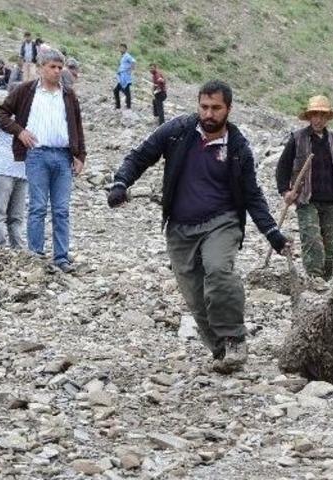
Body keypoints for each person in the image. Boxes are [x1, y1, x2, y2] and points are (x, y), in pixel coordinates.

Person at [107, 80, 291, 373]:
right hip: (179, 227)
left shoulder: (238, 147)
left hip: (222, 222)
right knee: (195, 295)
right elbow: (140, 155)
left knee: (219, 271)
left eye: (216, 108)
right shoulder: (178, 132)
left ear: (228, 109)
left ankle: (234, 338)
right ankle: (221, 352)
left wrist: (272, 233)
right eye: (204, 107)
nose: (209, 114)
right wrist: (121, 182)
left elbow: (252, 194)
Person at [0, 48, 86, 274]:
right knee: (37, 207)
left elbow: (77, 125)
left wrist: (80, 155)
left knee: (61, 209)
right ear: (41, 68)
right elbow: (1, 113)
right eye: (52, 67)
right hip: (37, 154)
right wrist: (20, 132)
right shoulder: (26, 91)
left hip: (63, 155)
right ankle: (36, 254)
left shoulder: (68, 95)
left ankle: (61, 257)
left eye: (59, 67)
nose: (56, 71)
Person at [276, 95, 333, 281]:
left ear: (327, 118)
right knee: (313, 241)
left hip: (331, 200)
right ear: (309, 117)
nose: (318, 119)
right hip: (306, 199)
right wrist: (285, 191)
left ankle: (324, 282)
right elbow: (282, 167)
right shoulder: (298, 138)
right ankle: (314, 280)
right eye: (314, 115)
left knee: (330, 246)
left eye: (322, 115)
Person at [0, 113, 27, 249]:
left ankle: (16, 248)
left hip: (21, 171)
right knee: (1, 213)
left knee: (15, 215)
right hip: (3, 169)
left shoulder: (29, 113)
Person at [113, 43, 136, 109]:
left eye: (122, 48)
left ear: (125, 49)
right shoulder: (123, 56)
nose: (121, 49)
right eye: (120, 48)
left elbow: (133, 61)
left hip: (125, 77)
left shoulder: (127, 56)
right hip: (122, 77)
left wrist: (130, 70)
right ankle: (120, 106)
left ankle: (126, 106)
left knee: (124, 91)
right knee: (117, 90)